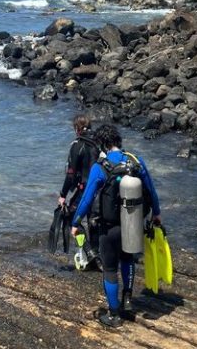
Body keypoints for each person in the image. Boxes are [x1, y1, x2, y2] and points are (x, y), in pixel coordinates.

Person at [71, 124, 162, 328]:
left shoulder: (100, 167)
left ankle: (114, 315)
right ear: (119, 142)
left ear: (102, 144)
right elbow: (151, 191)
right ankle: (127, 302)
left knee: (110, 268)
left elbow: (86, 200)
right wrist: (156, 214)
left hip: (109, 227)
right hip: (133, 223)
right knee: (128, 259)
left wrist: (75, 222)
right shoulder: (135, 161)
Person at [58, 114, 101, 265]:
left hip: (85, 190)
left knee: (70, 216)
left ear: (77, 129)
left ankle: (89, 252)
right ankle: (98, 256)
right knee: (94, 221)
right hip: (103, 190)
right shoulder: (100, 142)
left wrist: (63, 194)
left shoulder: (77, 145)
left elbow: (71, 175)